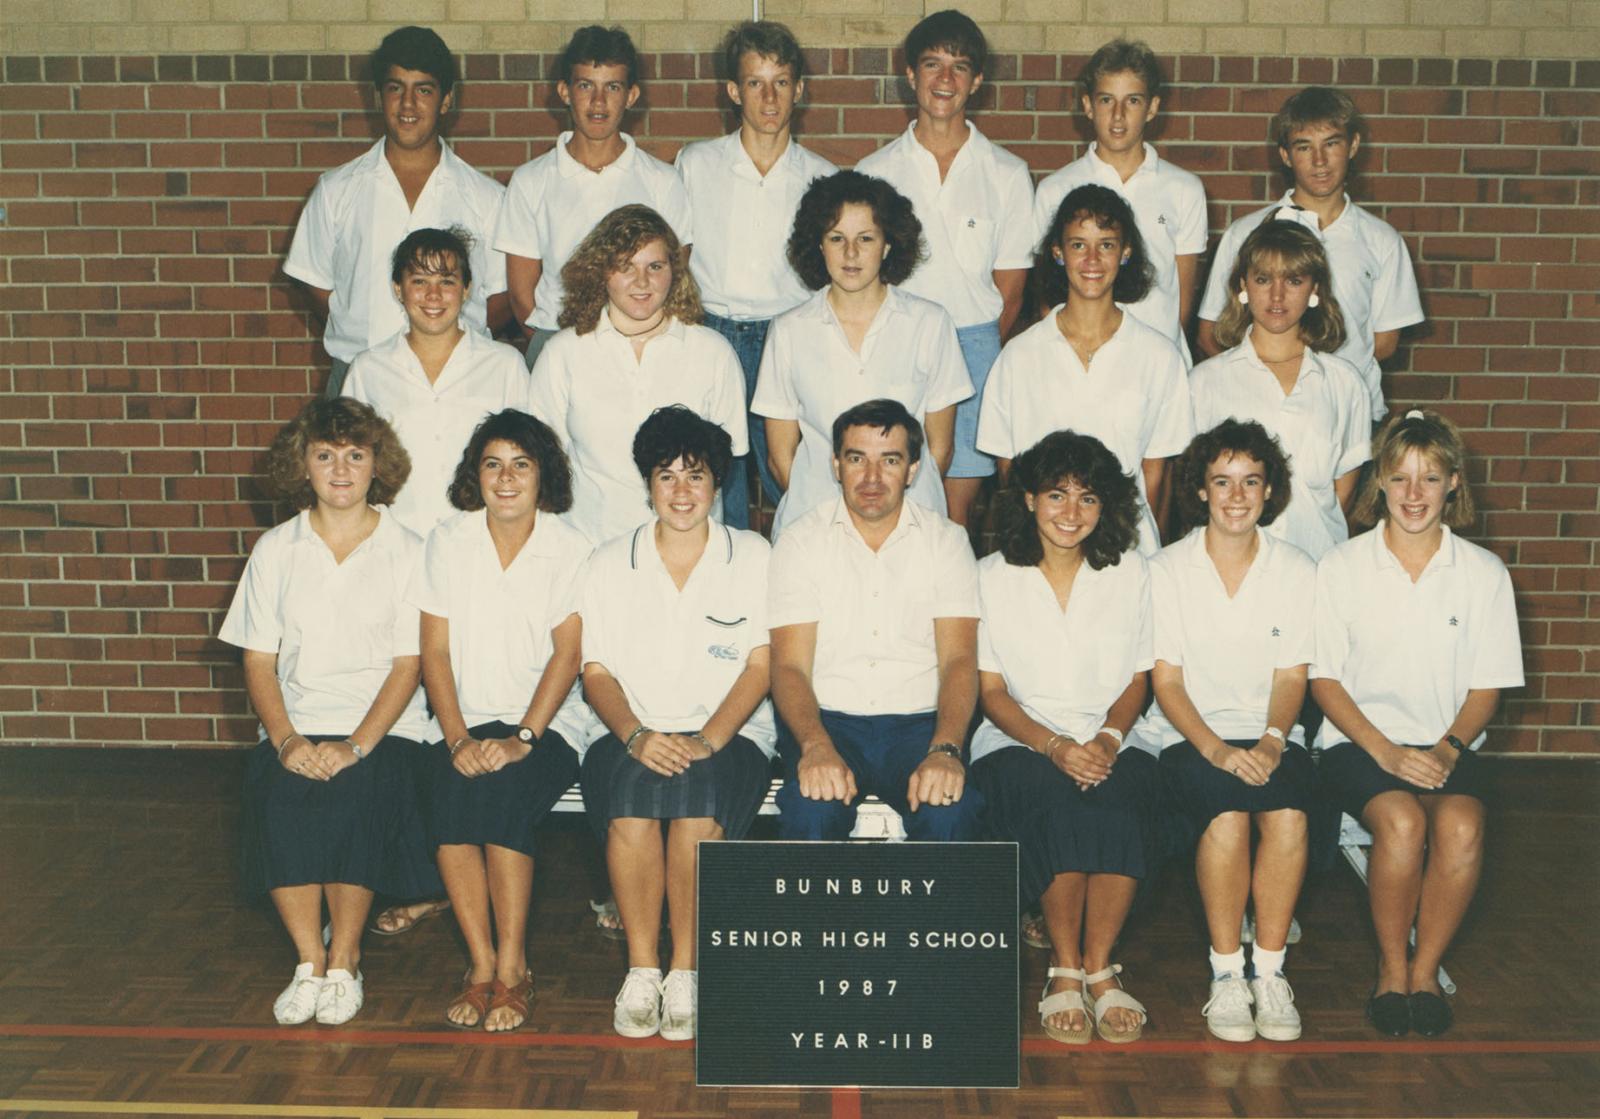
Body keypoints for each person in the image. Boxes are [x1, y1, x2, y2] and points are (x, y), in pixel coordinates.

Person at [1311, 409, 1523, 1038]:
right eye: (1399, 478)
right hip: (1358, 744)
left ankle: (1425, 971)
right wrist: (1384, 752)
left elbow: (1489, 685)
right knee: (1401, 821)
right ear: (1379, 481)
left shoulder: (1483, 574)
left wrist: (1449, 747)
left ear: (1454, 484)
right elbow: (1324, 681)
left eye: (1429, 479)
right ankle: (1390, 969)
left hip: (1444, 743)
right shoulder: (1342, 567)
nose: (1413, 495)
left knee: (1460, 825)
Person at [220, 397, 431, 1026]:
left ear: (377, 466)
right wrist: (285, 741)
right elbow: (259, 662)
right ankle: (308, 961)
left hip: (383, 728)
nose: (341, 470)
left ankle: (345, 959)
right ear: (303, 466)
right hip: (298, 721)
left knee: (351, 797)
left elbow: (409, 665)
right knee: (282, 796)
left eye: (355, 455)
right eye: (325, 455)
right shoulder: (275, 549)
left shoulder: (408, 549)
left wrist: (356, 746)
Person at [579, 407, 775, 1041]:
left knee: (696, 801)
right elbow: (596, 672)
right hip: (627, 733)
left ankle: (686, 971)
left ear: (718, 483)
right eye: (667, 476)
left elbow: (761, 664)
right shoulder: (610, 560)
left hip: (729, 735)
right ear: (647, 485)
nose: (682, 491)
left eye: (696, 476)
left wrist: (706, 739)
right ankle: (641, 970)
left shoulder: (753, 555)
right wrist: (636, 735)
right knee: (633, 799)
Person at [970, 430, 1157, 1046]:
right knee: (1054, 804)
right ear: (1027, 499)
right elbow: (992, 693)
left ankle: (1101, 967)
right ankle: (1065, 969)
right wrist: (1054, 747)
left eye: (1087, 498)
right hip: (1019, 740)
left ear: (1106, 507)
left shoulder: (1130, 574)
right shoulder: (989, 577)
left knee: (1121, 805)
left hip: (1115, 736)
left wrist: (1105, 739)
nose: (1071, 513)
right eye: (1056, 495)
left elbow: (1139, 678)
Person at [409, 410, 594, 1032]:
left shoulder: (571, 546)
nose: (506, 478)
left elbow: (569, 654)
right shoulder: (447, 540)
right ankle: (480, 964)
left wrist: (521, 740)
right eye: (493, 464)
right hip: (461, 722)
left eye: (522, 464)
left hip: (546, 724)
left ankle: (514, 970)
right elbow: (433, 651)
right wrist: (457, 736)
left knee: (505, 796)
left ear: (545, 475)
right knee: (450, 794)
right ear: (475, 474)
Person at [1145, 420, 1316, 1043]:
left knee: (1289, 814)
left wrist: (1272, 740)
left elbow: (1292, 672)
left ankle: (1269, 972)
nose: (1236, 496)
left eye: (1251, 482)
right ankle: (1226, 977)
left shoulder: (1296, 569)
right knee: (1228, 816)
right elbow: (1166, 681)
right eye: (1222, 482)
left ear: (1269, 491)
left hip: (1269, 732)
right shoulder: (1165, 570)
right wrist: (1216, 750)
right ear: (1200, 491)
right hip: (1188, 736)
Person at [768, 398, 981, 842]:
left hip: (920, 723)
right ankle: (827, 917)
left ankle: (932, 916)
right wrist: (814, 745)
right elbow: (788, 667)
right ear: (835, 465)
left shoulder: (946, 542)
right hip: (827, 720)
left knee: (951, 813)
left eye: (889, 460)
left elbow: (959, 661)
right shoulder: (800, 541)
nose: (871, 478)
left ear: (913, 469)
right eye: (856, 458)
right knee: (811, 811)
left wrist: (946, 749)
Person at [855, 9, 1034, 528]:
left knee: (955, 516)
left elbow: (1012, 292)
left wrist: (963, 360)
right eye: (932, 64)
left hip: (976, 348)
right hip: (895, 345)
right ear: (910, 75)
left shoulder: (1007, 173)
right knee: (887, 496)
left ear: (977, 81)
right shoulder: (875, 172)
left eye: (959, 67)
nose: (945, 79)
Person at [285, 26, 509, 398]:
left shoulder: (486, 198)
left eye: (423, 90)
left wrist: (448, 340)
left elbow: (501, 298)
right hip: (358, 377)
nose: (408, 105)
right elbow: (316, 284)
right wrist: (363, 334)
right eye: (395, 88)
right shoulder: (336, 190)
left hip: (458, 382)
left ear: (446, 100)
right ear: (378, 96)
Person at [676, 20, 837, 529]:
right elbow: (678, 259)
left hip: (786, 337)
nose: (769, 98)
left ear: (800, 90)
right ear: (733, 91)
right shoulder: (696, 163)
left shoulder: (822, 178)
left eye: (782, 82)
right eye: (754, 83)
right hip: (712, 331)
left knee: (792, 474)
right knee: (716, 477)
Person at [752, 170, 971, 537]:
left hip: (910, 522)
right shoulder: (789, 330)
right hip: (815, 522)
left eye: (865, 239)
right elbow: (780, 458)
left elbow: (939, 449)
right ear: (818, 245)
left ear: (887, 245)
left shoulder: (930, 323)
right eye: (836, 238)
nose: (850, 253)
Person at [977, 184, 1192, 555]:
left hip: (1129, 553)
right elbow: (1009, 472)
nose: (1092, 260)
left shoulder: (1159, 356)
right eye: (1078, 245)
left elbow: (1156, 476)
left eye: (1106, 244)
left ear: (1125, 253)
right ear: (1058, 253)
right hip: (1043, 554)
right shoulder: (1019, 356)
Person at [1196, 87, 1424, 422]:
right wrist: (1256, 389)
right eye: (1304, 147)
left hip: (1348, 417)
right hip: (1256, 419)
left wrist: (1323, 391)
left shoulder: (1381, 240)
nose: (1319, 161)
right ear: (1286, 155)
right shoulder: (1247, 234)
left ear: (1354, 146)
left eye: (1331, 144)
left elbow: (1384, 344)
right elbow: (1210, 333)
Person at [527, 204, 747, 546]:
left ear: (674, 271)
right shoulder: (562, 353)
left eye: (655, 266)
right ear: (601, 272)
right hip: (589, 548)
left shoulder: (713, 352)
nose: (642, 282)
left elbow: (724, 470)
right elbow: (542, 466)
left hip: (689, 550)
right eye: (625, 267)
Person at [493, 25, 692, 371]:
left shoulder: (663, 181)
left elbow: (673, 278)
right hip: (557, 340)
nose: (598, 102)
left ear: (631, 96)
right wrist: (559, 351)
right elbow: (521, 295)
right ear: (564, 92)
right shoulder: (531, 180)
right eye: (585, 85)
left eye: (612, 87)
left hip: (641, 347)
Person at [1191, 219, 1371, 560]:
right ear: (1243, 285)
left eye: (1293, 280)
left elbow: (1341, 496)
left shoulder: (1344, 384)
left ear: (1314, 288)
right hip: (1228, 569)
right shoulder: (1204, 383)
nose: (1277, 295)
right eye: (1263, 279)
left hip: (1317, 567)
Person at [342, 227, 529, 539]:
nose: (433, 295)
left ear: (466, 289)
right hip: (394, 542)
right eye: (419, 281)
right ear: (398, 289)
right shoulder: (368, 370)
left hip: (480, 541)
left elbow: (528, 463)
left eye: (446, 281)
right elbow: (350, 464)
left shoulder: (504, 365)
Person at [1031, 39, 1206, 359]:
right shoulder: (1055, 190)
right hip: (1081, 359)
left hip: (1158, 362)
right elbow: (1049, 292)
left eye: (1133, 101)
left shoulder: (1184, 189)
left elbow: (1181, 299)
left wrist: (1160, 361)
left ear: (1152, 107)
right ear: (1087, 105)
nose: (1118, 115)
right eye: (1106, 100)